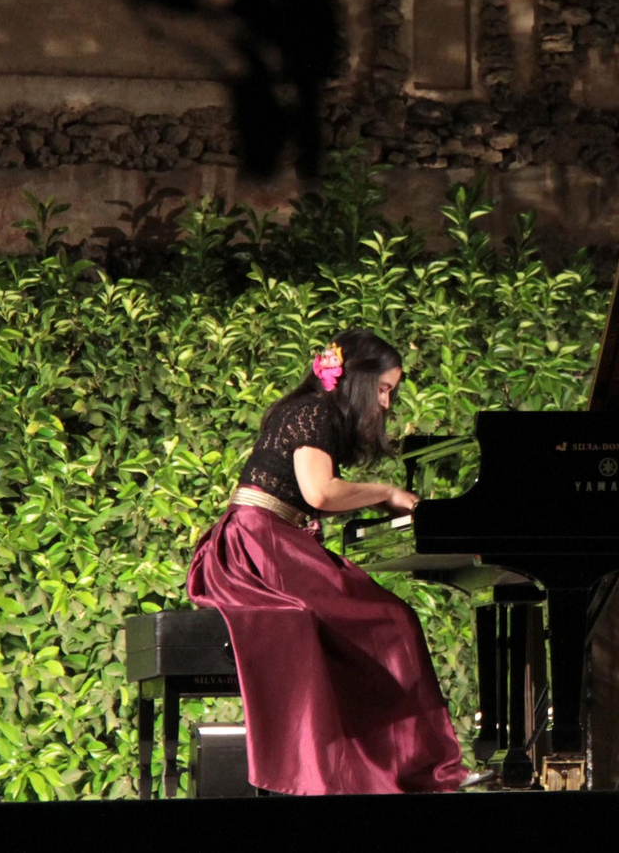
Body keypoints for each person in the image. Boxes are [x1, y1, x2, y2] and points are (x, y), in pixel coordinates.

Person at [185, 328, 469, 794]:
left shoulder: (308, 411)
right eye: (383, 389)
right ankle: (412, 772)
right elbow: (320, 492)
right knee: (393, 622)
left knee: (384, 621)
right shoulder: (315, 413)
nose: (387, 404)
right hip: (258, 548)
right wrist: (388, 494)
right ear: (356, 381)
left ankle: (385, 771)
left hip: (266, 541)